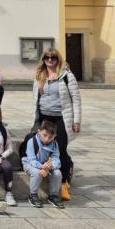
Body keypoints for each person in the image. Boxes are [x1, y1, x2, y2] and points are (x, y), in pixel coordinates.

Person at [33, 48, 82, 200]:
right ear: (43, 59)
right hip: (44, 117)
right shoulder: (40, 75)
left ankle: (64, 183)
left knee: (60, 150)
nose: (50, 60)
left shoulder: (67, 76)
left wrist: (76, 120)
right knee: (44, 149)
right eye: (47, 57)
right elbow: (35, 98)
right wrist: (35, 120)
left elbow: (76, 99)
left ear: (58, 59)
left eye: (53, 57)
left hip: (60, 118)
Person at [22, 120, 64, 209]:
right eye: (44, 135)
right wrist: (41, 167)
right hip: (29, 163)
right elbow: (31, 159)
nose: (47, 139)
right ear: (39, 132)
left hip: (46, 165)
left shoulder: (54, 144)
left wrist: (49, 167)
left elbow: (56, 159)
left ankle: (53, 195)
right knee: (37, 173)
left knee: (57, 173)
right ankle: (33, 195)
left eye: (50, 137)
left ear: (54, 136)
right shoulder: (32, 141)